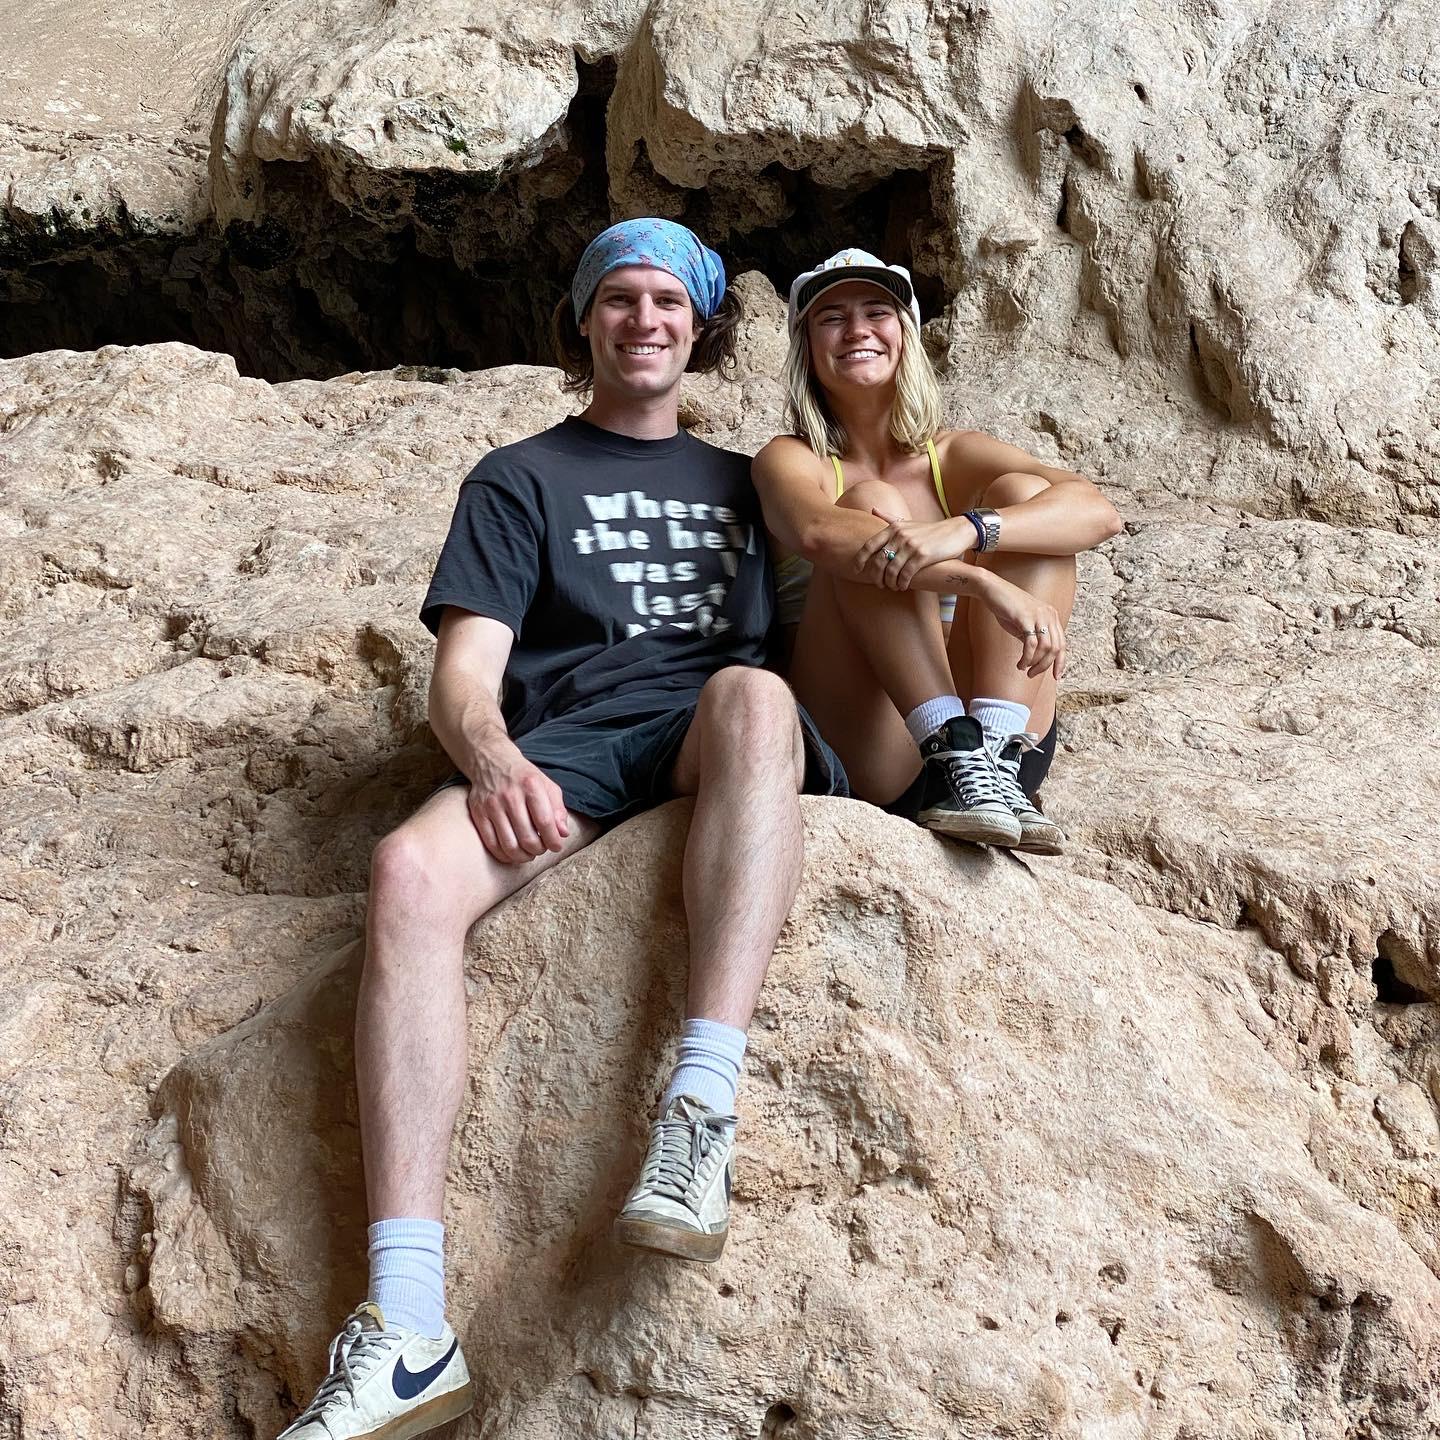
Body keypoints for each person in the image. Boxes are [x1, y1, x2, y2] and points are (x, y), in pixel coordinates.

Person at [277, 219, 845, 1440]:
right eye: (620, 300)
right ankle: (409, 1326)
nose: (645, 321)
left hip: (715, 725)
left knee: (757, 694)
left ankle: (698, 1115)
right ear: (586, 320)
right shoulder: (520, 477)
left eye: (668, 304)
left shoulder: (754, 476)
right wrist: (489, 760)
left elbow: (843, 604)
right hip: (570, 744)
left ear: (701, 329)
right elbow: (463, 677)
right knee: (407, 872)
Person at [753, 250, 1123, 853]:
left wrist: (971, 529)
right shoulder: (791, 458)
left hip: (999, 753)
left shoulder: (951, 455)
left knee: (1028, 500)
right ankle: (951, 744)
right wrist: (981, 583)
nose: (857, 331)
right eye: (831, 318)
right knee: (869, 504)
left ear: (905, 334)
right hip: (878, 744)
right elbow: (822, 534)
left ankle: (995, 752)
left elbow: (1095, 512)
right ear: (806, 347)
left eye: (877, 311)